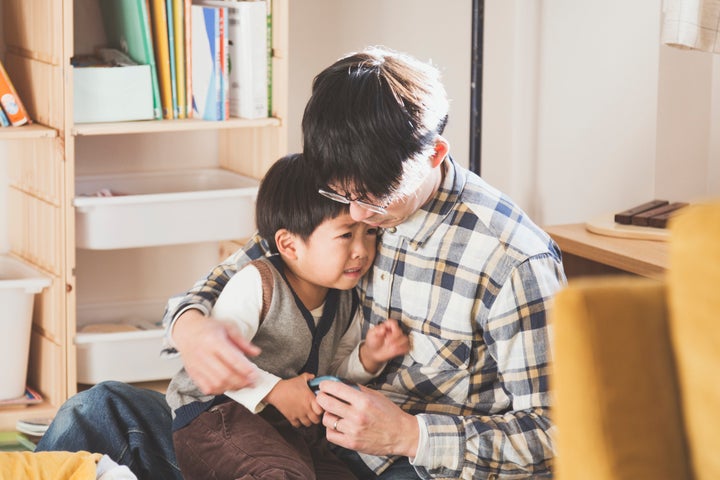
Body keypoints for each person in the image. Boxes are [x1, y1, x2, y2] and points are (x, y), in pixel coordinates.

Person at [38, 45, 566, 479]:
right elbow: (223, 281)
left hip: (408, 466)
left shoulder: (512, 262)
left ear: (433, 154)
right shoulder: (339, 180)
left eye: (375, 202)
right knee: (97, 410)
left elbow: (560, 437)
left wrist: (409, 433)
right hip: (297, 431)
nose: (358, 216)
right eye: (341, 197)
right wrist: (193, 329)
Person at [167, 153, 409, 480]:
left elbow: (335, 368)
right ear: (290, 245)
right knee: (279, 474)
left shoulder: (345, 298)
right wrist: (276, 391)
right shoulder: (258, 283)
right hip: (217, 415)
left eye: (370, 234)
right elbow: (223, 363)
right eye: (346, 235)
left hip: (283, 430)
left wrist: (368, 357)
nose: (362, 250)